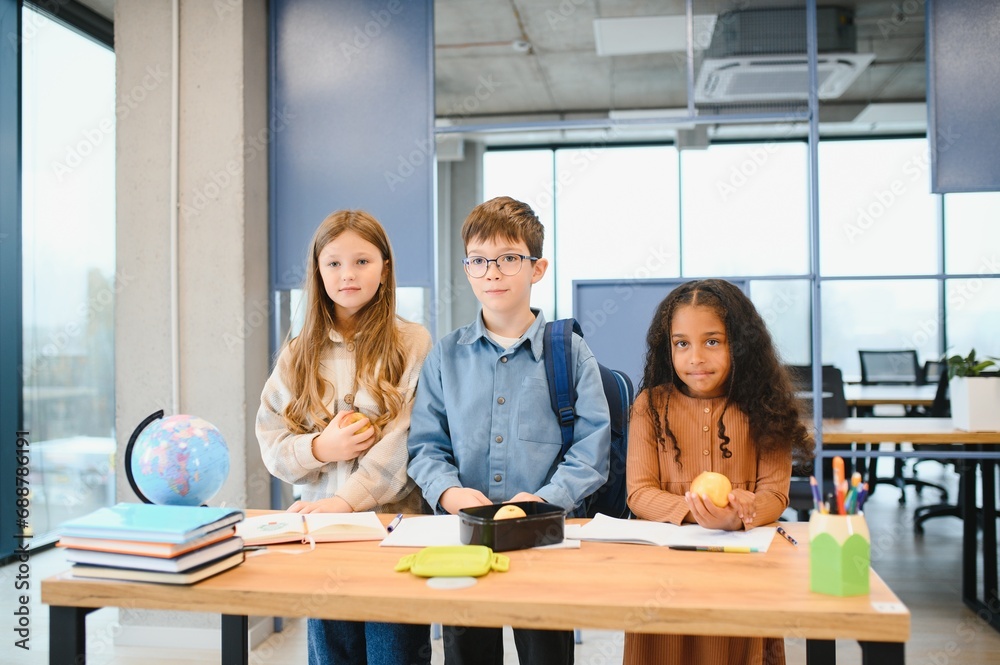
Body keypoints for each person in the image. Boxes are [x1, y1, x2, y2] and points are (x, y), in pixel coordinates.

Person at [407, 196, 611, 665]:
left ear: (536, 269)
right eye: (478, 261)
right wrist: (450, 493)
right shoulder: (445, 356)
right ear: (467, 270)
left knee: (546, 655)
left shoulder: (571, 352)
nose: (492, 272)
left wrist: (545, 499)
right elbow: (425, 446)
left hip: (543, 533)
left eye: (508, 259)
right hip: (465, 533)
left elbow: (591, 446)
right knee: (467, 652)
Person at [256, 209, 432, 665]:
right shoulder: (298, 354)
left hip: (392, 534)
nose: (347, 274)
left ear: (385, 267)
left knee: (395, 654)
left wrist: (344, 501)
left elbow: (407, 441)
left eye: (362, 261)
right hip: (322, 537)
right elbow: (271, 443)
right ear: (317, 270)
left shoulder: (413, 343)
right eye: (333, 263)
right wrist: (320, 448)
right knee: (332, 655)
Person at [624, 278, 813, 665]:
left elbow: (775, 496)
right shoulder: (650, 406)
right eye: (682, 343)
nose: (695, 357)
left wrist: (742, 513)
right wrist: (701, 512)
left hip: (743, 570)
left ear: (740, 345)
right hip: (663, 574)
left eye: (713, 341)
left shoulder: (766, 407)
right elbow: (639, 493)